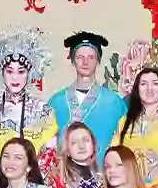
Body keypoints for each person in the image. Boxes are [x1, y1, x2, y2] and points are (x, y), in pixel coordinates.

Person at [0, 25, 59, 188]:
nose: (15, 78)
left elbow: (49, 150)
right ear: (2, 72)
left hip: (32, 183)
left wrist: (27, 176)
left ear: (29, 73)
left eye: (21, 71)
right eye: (9, 71)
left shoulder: (43, 111)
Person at [48, 31, 127, 165]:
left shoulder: (114, 102)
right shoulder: (57, 102)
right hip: (64, 172)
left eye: (91, 57)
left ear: (98, 60)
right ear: (72, 60)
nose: (85, 62)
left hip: (104, 172)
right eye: (80, 57)